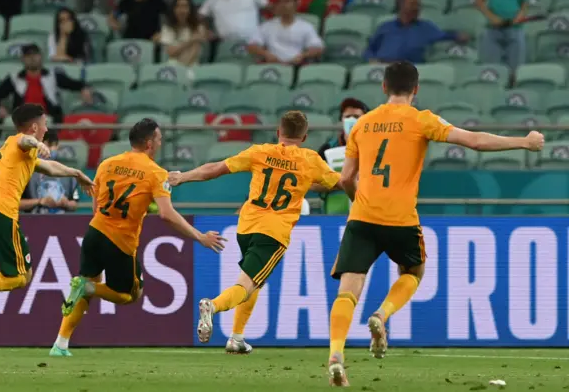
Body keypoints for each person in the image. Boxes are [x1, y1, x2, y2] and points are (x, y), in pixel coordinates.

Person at [325, 61, 545, 386]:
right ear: (415, 90)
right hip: (400, 219)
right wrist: (524, 142)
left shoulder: (361, 125)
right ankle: (382, 315)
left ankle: (335, 354)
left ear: (384, 88)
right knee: (413, 272)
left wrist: (359, 199)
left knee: (349, 289)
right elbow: (475, 141)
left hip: (362, 217)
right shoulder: (421, 120)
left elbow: (345, 178)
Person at [168, 111, 353, 354]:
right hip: (273, 233)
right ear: (305, 136)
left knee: (256, 281)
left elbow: (215, 169)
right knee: (246, 284)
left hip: (246, 227)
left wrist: (183, 177)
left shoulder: (260, 152)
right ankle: (212, 306)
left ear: (278, 132)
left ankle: (236, 337)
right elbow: (340, 183)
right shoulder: (310, 160)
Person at [49, 118, 226, 356]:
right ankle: (87, 288)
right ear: (149, 143)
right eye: (159, 139)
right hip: (120, 242)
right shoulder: (155, 172)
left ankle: (60, 344)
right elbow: (166, 214)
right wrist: (199, 236)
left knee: (85, 285)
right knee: (130, 294)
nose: (161, 142)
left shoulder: (107, 163)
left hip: (94, 233)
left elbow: (96, 206)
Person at [0, 104, 95, 357]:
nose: (46, 129)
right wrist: (37, 143)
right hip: (0, 210)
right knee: (22, 277)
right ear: (34, 126)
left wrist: (76, 172)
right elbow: (25, 140)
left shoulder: (14, 151)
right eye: (44, 124)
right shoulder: (20, 142)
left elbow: (50, 168)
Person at [0, 44, 93, 124]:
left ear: (41, 57)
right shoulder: (15, 78)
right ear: (23, 59)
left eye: (35, 55)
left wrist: (84, 88)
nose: (32, 58)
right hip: (23, 121)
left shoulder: (52, 75)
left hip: (48, 121)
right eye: (28, 56)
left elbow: (74, 84)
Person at [363, 0, 469, 64]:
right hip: (383, 67)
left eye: (418, 5)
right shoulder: (385, 27)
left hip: (409, 70)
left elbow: (444, 35)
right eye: (413, 4)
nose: (416, 8)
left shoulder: (425, 28)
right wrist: (372, 60)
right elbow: (370, 49)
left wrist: (458, 35)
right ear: (401, 5)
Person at [475, 0, 529, 77]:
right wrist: (491, 17)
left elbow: (525, 2)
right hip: (492, 30)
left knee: (516, 72)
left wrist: (520, 15)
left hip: (515, 29)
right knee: (492, 71)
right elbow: (479, 1)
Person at [248, 0, 323, 65]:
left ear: (297, 3)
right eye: (280, 1)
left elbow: (318, 48)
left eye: (287, 1)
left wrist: (303, 56)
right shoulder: (267, 25)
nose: (283, 5)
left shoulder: (306, 26)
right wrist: (265, 54)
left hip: (296, 66)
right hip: (273, 65)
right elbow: (252, 46)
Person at [20, 130, 79, 214]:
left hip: (62, 222)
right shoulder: (26, 172)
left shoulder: (68, 174)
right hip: (34, 221)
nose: (51, 149)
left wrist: (67, 203)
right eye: (48, 145)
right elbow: (17, 204)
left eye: (55, 145)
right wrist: (39, 201)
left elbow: (75, 201)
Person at [160, 0, 207, 68]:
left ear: (190, 9)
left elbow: (193, 53)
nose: (181, 10)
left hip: (192, 65)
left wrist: (183, 69)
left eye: (185, 6)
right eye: (178, 6)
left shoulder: (198, 28)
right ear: (173, 9)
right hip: (173, 64)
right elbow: (171, 52)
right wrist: (190, 41)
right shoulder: (167, 28)